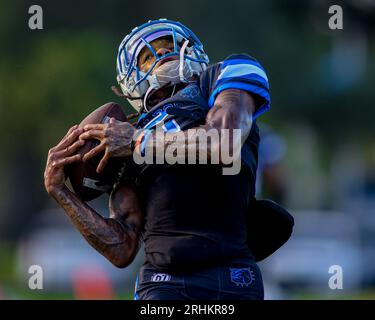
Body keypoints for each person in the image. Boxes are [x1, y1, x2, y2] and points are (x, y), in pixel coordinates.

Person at [44, 19, 271, 300]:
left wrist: (138, 142)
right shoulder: (121, 137)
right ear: (129, 80)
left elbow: (224, 141)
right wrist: (62, 193)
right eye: (149, 55)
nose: (163, 54)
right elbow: (122, 247)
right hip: (165, 281)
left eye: (169, 47)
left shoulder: (226, 75)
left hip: (232, 274)